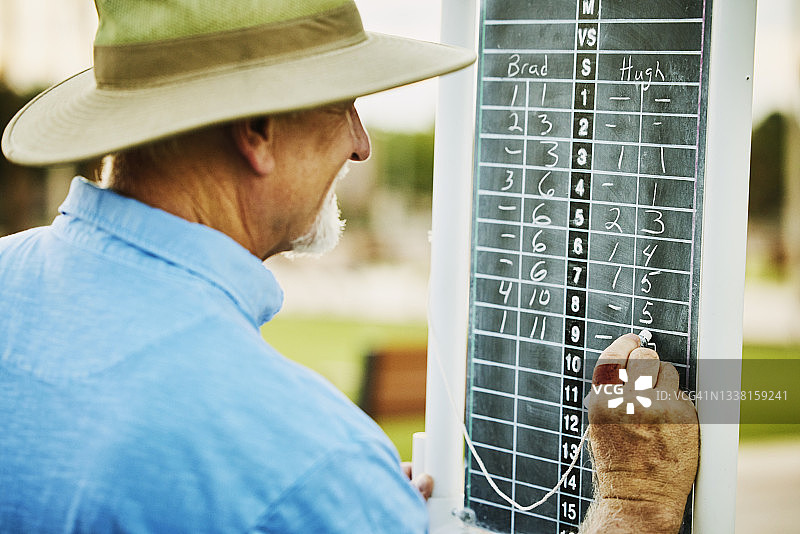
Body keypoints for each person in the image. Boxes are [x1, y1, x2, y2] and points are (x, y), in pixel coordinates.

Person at [0, 0, 698, 532]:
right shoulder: (305, 459)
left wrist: (351, 503)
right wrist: (636, 509)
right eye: (344, 104)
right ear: (258, 133)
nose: (361, 144)